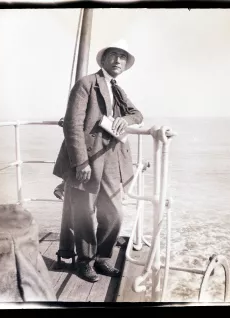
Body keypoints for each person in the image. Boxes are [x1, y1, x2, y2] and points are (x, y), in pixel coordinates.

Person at [53, 40, 143, 283]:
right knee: (83, 214)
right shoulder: (86, 84)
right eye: (113, 55)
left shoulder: (118, 90)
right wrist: (80, 162)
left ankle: (102, 257)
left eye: (123, 57)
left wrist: (126, 119)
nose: (118, 61)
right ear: (103, 60)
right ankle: (85, 262)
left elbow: (138, 114)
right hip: (88, 158)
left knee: (114, 213)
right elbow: (72, 125)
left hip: (111, 158)